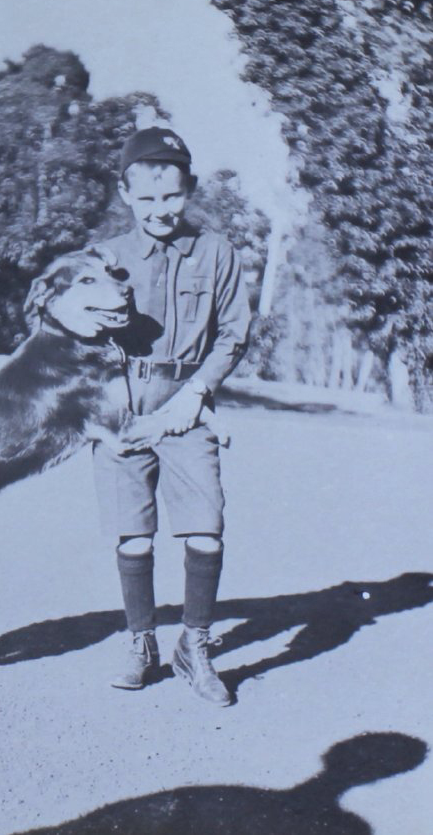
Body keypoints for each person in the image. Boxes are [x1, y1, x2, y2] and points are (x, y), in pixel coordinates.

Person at [93, 126, 252, 706]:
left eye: (173, 196)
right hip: (123, 404)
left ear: (189, 191)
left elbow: (234, 332)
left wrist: (199, 391)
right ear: (126, 194)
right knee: (133, 538)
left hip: (187, 405)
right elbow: (76, 334)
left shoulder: (217, 253)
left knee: (206, 531)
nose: (161, 210)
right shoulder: (106, 256)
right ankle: (141, 643)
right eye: (148, 198)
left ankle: (196, 646)